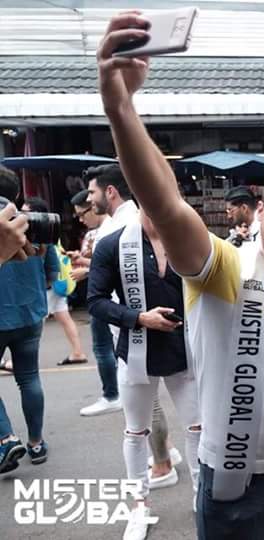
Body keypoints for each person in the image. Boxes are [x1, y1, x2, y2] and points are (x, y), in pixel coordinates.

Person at [97, 17, 264, 539]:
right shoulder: (225, 266)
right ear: (261, 209)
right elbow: (166, 204)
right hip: (234, 487)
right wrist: (120, 106)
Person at [87, 211, 202, 540]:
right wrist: (138, 317)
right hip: (136, 351)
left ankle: (202, 497)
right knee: (136, 432)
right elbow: (95, 301)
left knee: (198, 427)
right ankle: (139, 506)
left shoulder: (189, 236)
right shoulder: (113, 245)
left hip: (184, 349)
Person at [0, 168, 57, 472]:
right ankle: (36, 443)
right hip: (30, 313)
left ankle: (6, 438)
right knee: (29, 378)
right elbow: (51, 272)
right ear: (17, 194)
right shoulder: (32, 223)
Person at [79, 163, 140, 417]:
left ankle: (159, 447)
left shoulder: (127, 224)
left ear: (111, 191)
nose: (89, 199)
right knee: (142, 400)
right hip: (123, 317)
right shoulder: (116, 222)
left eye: (92, 192)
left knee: (140, 400)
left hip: (129, 319)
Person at [22, 197, 88, 366]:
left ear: (35, 214)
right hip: (58, 282)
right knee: (64, 317)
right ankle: (78, 352)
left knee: (36, 322)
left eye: (25, 211)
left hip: (48, 285)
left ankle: (25, 359)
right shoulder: (50, 230)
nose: (22, 215)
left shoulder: (37, 233)